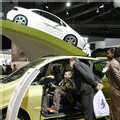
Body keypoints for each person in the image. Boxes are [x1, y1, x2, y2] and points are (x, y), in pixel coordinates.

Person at [105, 48, 120, 120]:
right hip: (117, 89)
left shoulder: (112, 63)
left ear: (113, 54)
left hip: (115, 90)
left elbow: (118, 77)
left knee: (116, 110)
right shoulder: (116, 62)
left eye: (108, 53)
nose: (107, 55)